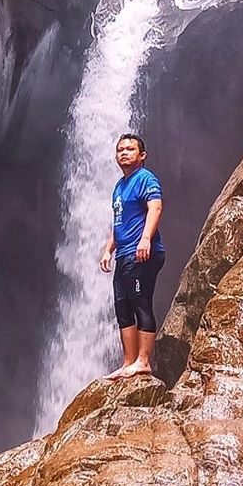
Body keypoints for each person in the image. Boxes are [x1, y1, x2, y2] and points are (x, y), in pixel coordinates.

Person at [99, 132, 165, 379]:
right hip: (124, 255)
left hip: (143, 253)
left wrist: (145, 238)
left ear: (142, 155)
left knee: (141, 303)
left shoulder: (145, 178)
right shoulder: (119, 185)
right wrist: (108, 250)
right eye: (120, 150)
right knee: (122, 307)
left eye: (129, 149)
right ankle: (129, 362)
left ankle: (144, 361)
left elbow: (155, 207)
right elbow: (120, 223)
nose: (123, 153)